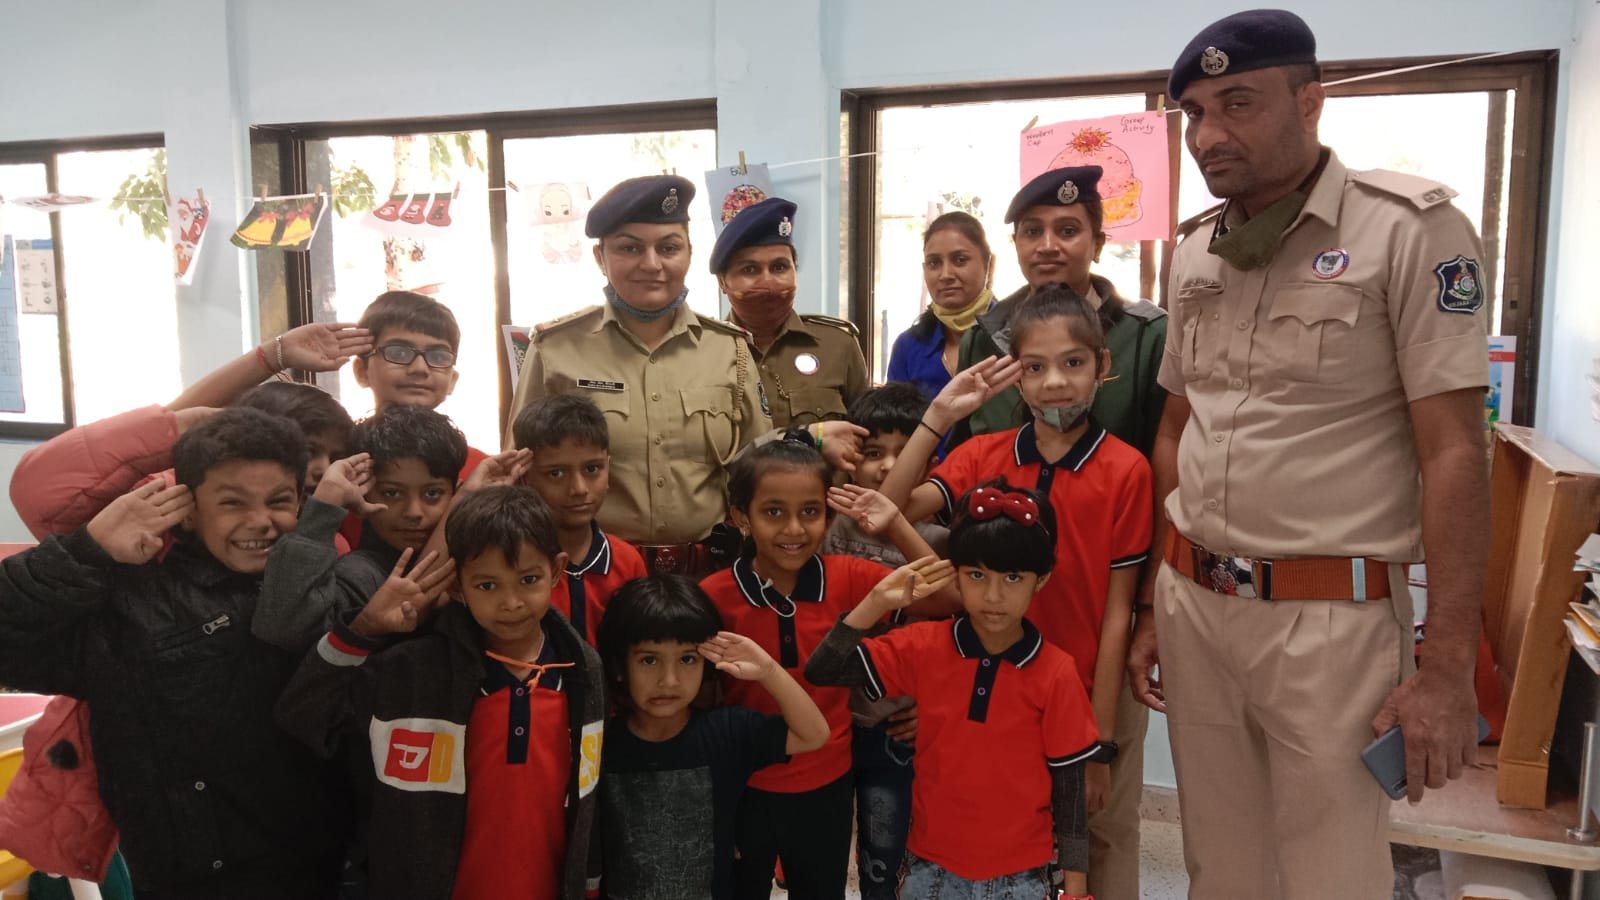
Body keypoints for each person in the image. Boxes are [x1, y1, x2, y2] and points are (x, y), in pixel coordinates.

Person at [1125, 10, 1491, 898]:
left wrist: (1445, 664)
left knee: (1330, 872)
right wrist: (1150, 604)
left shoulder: (1407, 230)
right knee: (1221, 865)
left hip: (1329, 623)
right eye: (1196, 114)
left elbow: (1454, 454)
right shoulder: (1196, 252)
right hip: (1195, 604)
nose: (1211, 135)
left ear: (1311, 100)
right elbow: (1178, 429)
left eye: (1238, 103)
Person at [0, 407, 350, 899]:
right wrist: (88, 551)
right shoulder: (133, 603)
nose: (260, 522)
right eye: (232, 503)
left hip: (319, 869)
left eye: (279, 501)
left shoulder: (326, 580)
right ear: (187, 508)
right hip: (188, 880)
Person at [946, 167, 1168, 899]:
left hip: (1103, 589)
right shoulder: (987, 334)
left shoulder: (1143, 333)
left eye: (1068, 229)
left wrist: (1147, 612)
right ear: (1013, 243)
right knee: (1012, 803)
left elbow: (1155, 468)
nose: (1050, 245)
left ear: (1098, 241)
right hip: (1004, 607)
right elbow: (967, 462)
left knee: (1100, 812)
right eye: (1033, 230)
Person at [880, 286, 1152, 853]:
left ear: (1102, 366)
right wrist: (938, 417)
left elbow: (1118, 610)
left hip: (1077, 688)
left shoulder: (1127, 469)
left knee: (1090, 842)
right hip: (990, 682)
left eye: (1073, 363)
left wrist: (1099, 742)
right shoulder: (984, 454)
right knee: (996, 835)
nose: (1055, 382)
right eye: (1035, 367)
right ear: (1016, 377)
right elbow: (892, 509)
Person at [276, 484, 605, 900]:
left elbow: (590, 801)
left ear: (556, 571)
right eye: (487, 585)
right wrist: (362, 631)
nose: (511, 602)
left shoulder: (584, 671)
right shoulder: (411, 672)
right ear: (455, 586)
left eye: (529, 579)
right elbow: (303, 718)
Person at [807, 482, 1100, 900]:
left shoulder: (1056, 672)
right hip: (931, 869)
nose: (994, 596)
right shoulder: (925, 646)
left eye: (1013, 577)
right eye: (977, 575)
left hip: (1023, 877)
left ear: (1041, 580)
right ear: (955, 576)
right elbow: (824, 670)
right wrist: (874, 601)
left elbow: (1070, 790)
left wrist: (1076, 889)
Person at [699, 437, 955, 899]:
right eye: (773, 511)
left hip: (827, 785)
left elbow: (946, 598)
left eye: (810, 512)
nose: (793, 528)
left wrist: (896, 521)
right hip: (743, 788)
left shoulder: (850, 578)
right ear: (740, 517)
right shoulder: (714, 595)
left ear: (829, 516)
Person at [506, 174, 770, 575]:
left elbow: (760, 466)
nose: (652, 264)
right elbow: (518, 472)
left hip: (708, 575)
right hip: (594, 574)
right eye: (630, 248)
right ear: (600, 258)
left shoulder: (729, 348)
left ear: (689, 254)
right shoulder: (556, 349)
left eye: (668, 247)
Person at [594, 574, 830, 899]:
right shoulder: (602, 744)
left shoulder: (726, 733)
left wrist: (768, 670)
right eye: (649, 660)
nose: (670, 680)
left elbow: (814, 734)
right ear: (620, 666)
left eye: (687, 659)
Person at [817, 382, 949, 900]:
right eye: (874, 453)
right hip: (828, 716)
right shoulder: (822, 523)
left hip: (895, 723)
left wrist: (935, 704)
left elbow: (957, 625)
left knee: (884, 851)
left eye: (903, 453)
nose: (887, 467)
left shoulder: (938, 540)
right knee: (819, 848)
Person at [710, 196, 870, 428]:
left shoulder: (838, 345)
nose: (767, 281)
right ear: (722, 282)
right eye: (750, 269)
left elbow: (865, 437)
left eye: (779, 267)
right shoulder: (705, 353)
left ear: (795, 270)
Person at [511, 393, 648, 645]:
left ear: (608, 467)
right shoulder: (511, 563)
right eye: (556, 473)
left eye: (592, 469)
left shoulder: (627, 562)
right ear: (524, 477)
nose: (579, 488)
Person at [887, 211, 997, 402]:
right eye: (934, 263)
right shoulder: (908, 346)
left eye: (960, 260)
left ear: (988, 264)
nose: (945, 274)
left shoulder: (1017, 335)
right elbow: (892, 428)